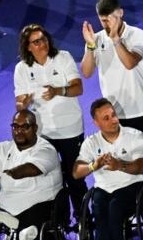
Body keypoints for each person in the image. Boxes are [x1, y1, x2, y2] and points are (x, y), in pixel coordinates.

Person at [80, 0, 143, 215]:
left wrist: (115, 40)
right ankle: (137, 213)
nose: (106, 24)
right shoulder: (96, 39)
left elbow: (130, 63)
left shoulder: (137, 34)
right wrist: (91, 46)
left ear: (120, 13)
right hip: (116, 118)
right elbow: (86, 72)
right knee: (126, 168)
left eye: (110, 19)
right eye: (102, 20)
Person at [13, 24, 87, 221]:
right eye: (36, 41)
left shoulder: (63, 57)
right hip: (44, 134)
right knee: (50, 181)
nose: (42, 43)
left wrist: (58, 91)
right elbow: (19, 105)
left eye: (44, 38)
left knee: (75, 177)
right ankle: (58, 222)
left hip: (70, 129)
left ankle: (84, 219)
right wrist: (24, 103)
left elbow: (78, 88)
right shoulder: (21, 69)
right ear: (28, 47)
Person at [73, 98, 143, 240]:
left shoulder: (135, 135)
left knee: (114, 207)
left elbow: (141, 166)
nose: (114, 120)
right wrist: (94, 165)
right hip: (104, 189)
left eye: (113, 115)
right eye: (106, 118)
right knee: (100, 211)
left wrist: (119, 165)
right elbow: (77, 172)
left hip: (132, 186)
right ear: (96, 122)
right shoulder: (91, 142)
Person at [0, 109, 63, 240]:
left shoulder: (46, 150)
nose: (19, 131)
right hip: (8, 203)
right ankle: (21, 231)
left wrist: (11, 172)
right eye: (15, 126)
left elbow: (31, 169)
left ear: (35, 128)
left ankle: (25, 231)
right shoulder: (2, 148)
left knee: (38, 216)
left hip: (41, 204)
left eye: (24, 127)